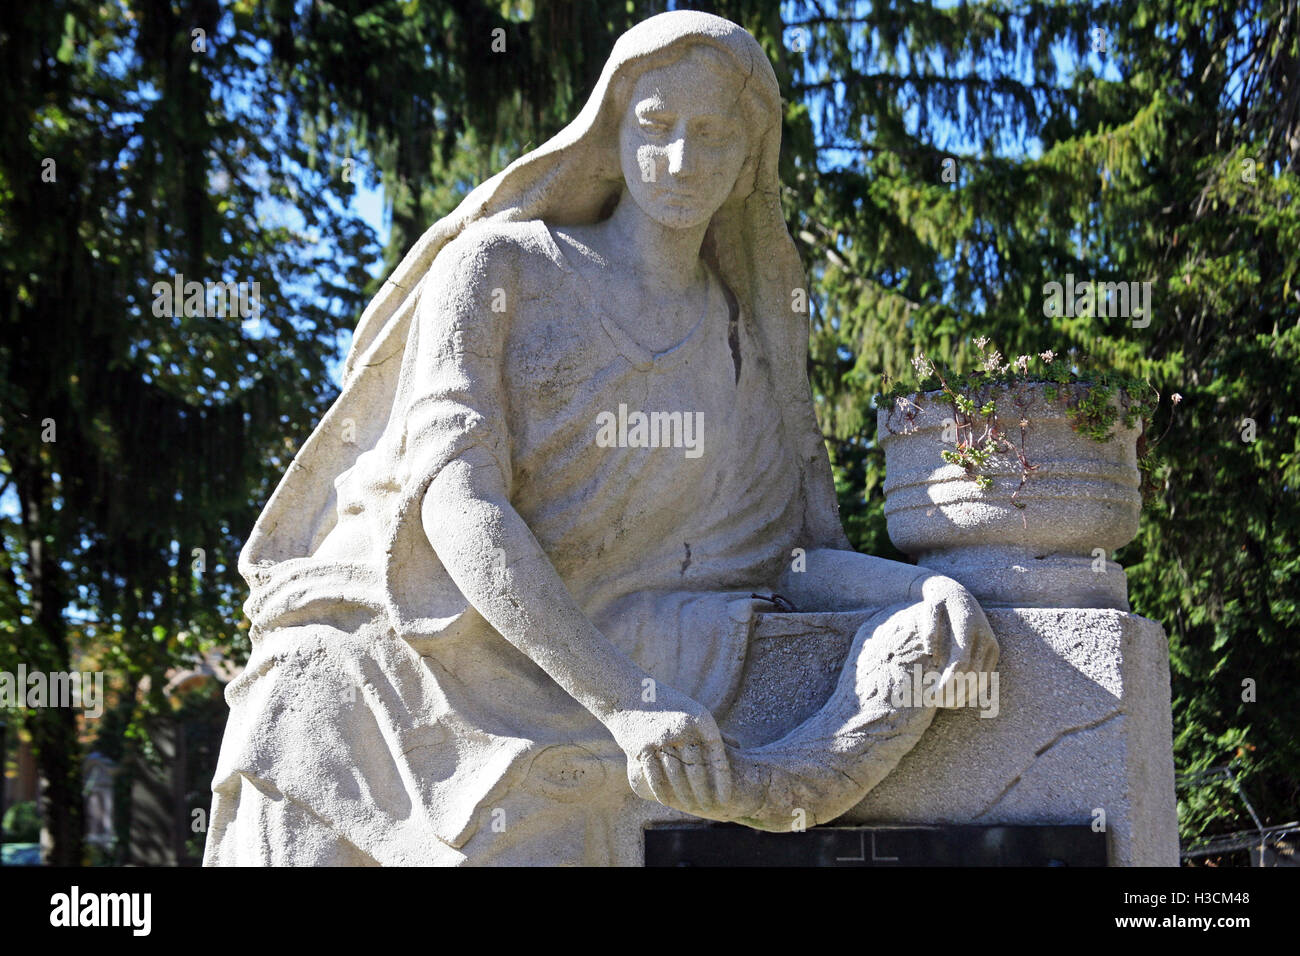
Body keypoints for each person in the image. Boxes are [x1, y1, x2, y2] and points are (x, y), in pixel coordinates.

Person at [204, 10, 997, 867]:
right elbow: (458, 502)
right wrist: (624, 701)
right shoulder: (501, 269)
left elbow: (788, 564)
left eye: (713, 135)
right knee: (306, 700)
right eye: (656, 128)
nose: (682, 161)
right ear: (613, 131)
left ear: (746, 162)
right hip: (435, 647)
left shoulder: (740, 341)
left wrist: (922, 594)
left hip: (646, 649)